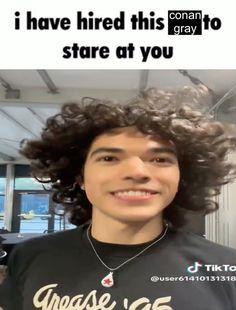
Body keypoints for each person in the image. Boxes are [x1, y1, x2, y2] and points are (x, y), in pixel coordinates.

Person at [0, 87, 236, 310]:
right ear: (80, 176)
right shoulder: (30, 256)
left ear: (182, 177)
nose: (137, 172)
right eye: (109, 159)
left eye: (160, 159)